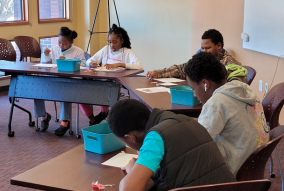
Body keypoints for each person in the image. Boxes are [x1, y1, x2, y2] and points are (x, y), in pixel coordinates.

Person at [108, 99, 235, 191]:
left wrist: (132, 169)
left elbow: (129, 189)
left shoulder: (155, 137)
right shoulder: (185, 120)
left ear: (130, 138)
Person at [184, 52, 269, 176]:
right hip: (255, 165)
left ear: (205, 84)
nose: (195, 95)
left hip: (233, 170)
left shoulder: (216, 103)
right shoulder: (244, 90)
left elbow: (198, 142)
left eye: (193, 89)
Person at [82, 24, 143, 126]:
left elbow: (139, 66)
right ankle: (96, 119)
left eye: (115, 42)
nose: (112, 45)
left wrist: (120, 64)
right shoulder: (106, 49)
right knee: (82, 94)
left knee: (112, 99)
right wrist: (91, 63)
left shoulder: (127, 52)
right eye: (110, 42)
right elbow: (89, 60)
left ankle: (106, 117)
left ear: (122, 41)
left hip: (116, 84)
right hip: (102, 82)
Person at [35, 26, 85, 136]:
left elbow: (83, 66)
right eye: (59, 42)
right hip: (53, 80)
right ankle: (44, 117)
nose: (61, 46)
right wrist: (46, 56)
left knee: (65, 91)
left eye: (64, 44)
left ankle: (64, 123)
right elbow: (44, 64)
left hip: (70, 82)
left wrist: (68, 62)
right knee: (36, 89)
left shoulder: (78, 52)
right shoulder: (54, 50)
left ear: (71, 42)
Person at [146, 29, 242, 80]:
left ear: (218, 45)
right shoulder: (202, 57)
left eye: (208, 48)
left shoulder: (230, 64)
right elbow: (182, 69)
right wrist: (158, 73)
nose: (204, 51)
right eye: (202, 48)